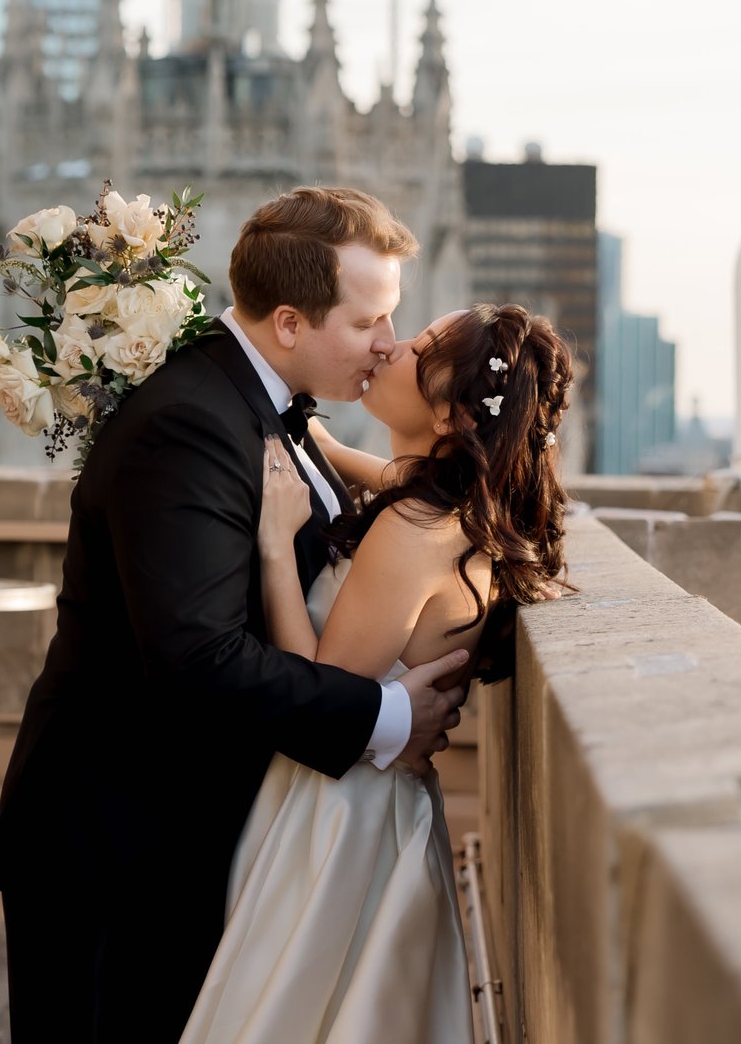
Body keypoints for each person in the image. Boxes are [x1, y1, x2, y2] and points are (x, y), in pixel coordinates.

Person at [0, 187, 473, 1043]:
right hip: (119, 848)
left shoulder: (265, 405)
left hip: (180, 839)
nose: (390, 343)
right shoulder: (192, 424)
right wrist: (387, 714)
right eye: (370, 323)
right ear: (289, 322)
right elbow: (195, 656)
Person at [180, 302, 575, 1044]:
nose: (389, 346)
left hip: (334, 815)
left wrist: (273, 549)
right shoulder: (449, 506)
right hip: (380, 800)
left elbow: (317, 684)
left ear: (454, 415)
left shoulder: (415, 528)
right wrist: (315, 439)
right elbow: (386, 471)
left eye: (416, 349)